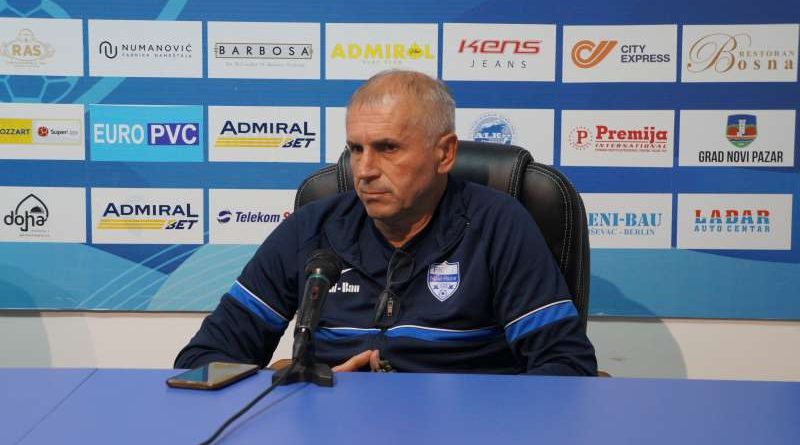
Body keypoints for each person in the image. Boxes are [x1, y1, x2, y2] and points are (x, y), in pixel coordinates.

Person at [175, 70, 597, 375]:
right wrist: (298, 382)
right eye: (356, 149)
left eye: (388, 148)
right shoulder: (311, 229)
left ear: (445, 153)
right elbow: (202, 361)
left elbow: (566, 365)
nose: (365, 170)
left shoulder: (498, 225)